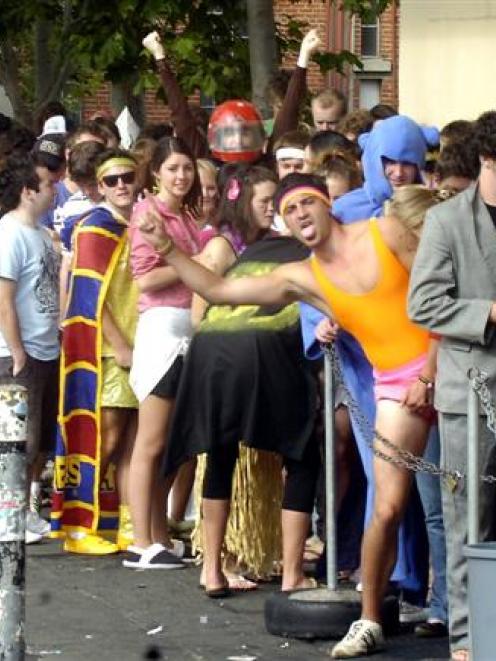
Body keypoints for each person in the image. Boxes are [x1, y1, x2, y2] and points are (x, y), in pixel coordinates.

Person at [136, 171, 437, 656]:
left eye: (305, 203)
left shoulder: (384, 232)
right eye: (289, 210)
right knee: (387, 507)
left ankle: (460, 609)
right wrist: (167, 248)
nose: (299, 215)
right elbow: (218, 292)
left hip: (448, 364)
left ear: (326, 204)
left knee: (460, 504)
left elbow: (437, 299)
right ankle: (369, 619)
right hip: (396, 386)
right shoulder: (303, 277)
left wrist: (433, 373)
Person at [408, 110, 496, 661]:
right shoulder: (447, 222)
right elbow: (423, 304)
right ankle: (467, 637)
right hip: (472, 394)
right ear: (488, 160)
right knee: (470, 521)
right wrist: (488, 312)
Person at [51, 149, 140, 554]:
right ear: (99, 186)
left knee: (133, 440)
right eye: (112, 180)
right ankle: (79, 523)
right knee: (106, 435)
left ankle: (124, 520)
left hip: (142, 343)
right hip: (106, 350)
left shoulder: (140, 222)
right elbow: (89, 296)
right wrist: (120, 344)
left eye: (127, 177)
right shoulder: (94, 226)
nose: (122, 185)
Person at [124, 136, 203, 570]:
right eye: (173, 168)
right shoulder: (147, 212)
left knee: (169, 443)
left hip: (186, 330)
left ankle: (157, 535)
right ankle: (140, 540)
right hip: (161, 330)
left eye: (187, 168)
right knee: (150, 441)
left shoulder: (186, 215)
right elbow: (145, 279)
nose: (181, 176)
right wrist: (195, 264)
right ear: (156, 172)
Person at [0, 155, 60, 544]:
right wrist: (17, 349)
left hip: (47, 347)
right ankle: (8, 514)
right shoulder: (9, 233)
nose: (55, 189)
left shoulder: (39, 233)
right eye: (48, 185)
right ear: (28, 191)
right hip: (19, 352)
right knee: (20, 438)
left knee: (38, 439)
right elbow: (3, 298)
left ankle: (21, 509)